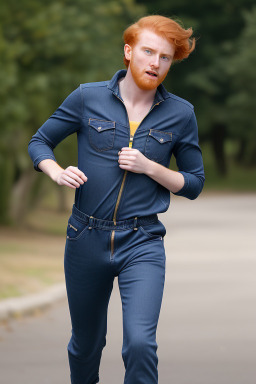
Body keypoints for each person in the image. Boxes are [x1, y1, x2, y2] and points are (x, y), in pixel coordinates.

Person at [28, 14, 205, 384]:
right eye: (148, 52)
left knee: (140, 344)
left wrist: (150, 167)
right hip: (85, 239)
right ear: (129, 52)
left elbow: (193, 182)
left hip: (142, 242)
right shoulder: (86, 97)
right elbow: (39, 142)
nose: (155, 63)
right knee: (86, 345)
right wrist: (56, 171)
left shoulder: (181, 114)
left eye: (166, 57)